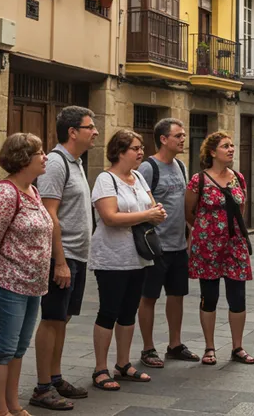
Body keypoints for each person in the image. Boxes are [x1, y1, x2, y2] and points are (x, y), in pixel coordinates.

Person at [0, 133, 53, 416]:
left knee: (19, 348)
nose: (45, 157)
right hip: (9, 283)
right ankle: (0, 409)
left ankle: (14, 405)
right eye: (40, 153)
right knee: (3, 348)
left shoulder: (33, 190)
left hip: (33, 284)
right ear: (23, 159)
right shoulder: (5, 193)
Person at [88, 129, 167, 391]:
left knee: (128, 311)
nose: (141, 151)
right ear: (120, 152)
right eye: (135, 148)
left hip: (139, 257)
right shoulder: (105, 179)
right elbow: (109, 217)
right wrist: (147, 215)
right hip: (112, 258)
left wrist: (157, 213)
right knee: (108, 311)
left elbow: (153, 208)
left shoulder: (139, 178)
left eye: (141, 147)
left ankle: (123, 364)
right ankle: (100, 369)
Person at [31, 107, 98, 411]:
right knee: (51, 318)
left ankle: (55, 377)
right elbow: (49, 214)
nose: (95, 131)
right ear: (73, 132)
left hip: (77, 256)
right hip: (63, 255)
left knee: (63, 318)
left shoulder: (76, 162)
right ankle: (42, 387)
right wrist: (59, 261)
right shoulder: (57, 164)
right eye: (90, 126)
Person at [185, 131, 254, 366]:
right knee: (209, 297)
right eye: (226, 146)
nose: (231, 149)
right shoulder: (199, 180)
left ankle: (238, 347)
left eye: (232, 145)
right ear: (213, 152)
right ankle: (210, 348)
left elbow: (240, 208)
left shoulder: (238, 178)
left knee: (238, 297)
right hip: (208, 248)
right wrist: (206, 231)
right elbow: (189, 211)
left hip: (235, 246)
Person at [137, 118, 199, 368]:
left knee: (177, 295)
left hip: (178, 245)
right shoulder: (148, 168)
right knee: (148, 297)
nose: (183, 139)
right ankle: (148, 348)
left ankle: (175, 344)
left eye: (184, 135)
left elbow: (183, 206)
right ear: (163, 139)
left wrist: (190, 235)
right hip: (155, 247)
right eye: (178, 136)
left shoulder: (181, 166)